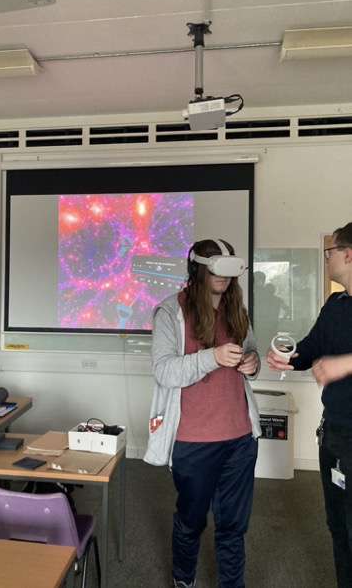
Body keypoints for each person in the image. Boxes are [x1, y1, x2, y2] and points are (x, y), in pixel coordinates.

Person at [144, 238, 261, 588]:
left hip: (240, 438)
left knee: (233, 527)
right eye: (215, 266)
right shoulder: (169, 312)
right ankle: (184, 580)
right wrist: (212, 357)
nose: (222, 276)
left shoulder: (237, 309)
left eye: (228, 267)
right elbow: (164, 371)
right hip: (193, 442)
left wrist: (252, 364)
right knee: (192, 521)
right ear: (198, 267)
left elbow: (250, 352)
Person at [266, 221, 352, 588]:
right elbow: (312, 347)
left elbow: (338, 361)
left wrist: (345, 362)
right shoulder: (335, 303)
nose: (327, 257)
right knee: (338, 525)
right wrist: (288, 357)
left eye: (330, 251)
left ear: (348, 254)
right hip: (333, 431)